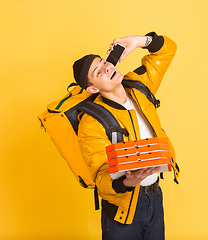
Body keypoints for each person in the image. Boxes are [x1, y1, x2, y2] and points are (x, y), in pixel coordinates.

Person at [73, 32, 178, 240]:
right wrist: (129, 182)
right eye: (98, 71)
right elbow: (101, 177)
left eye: (104, 62)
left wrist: (140, 41)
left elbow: (168, 50)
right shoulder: (91, 122)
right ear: (92, 88)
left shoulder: (139, 86)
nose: (107, 67)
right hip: (123, 209)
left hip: (155, 197)